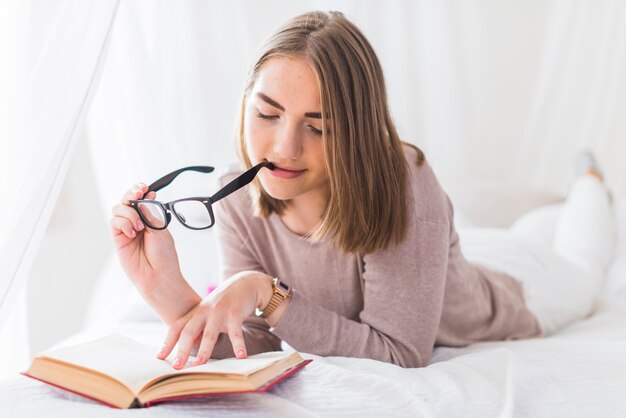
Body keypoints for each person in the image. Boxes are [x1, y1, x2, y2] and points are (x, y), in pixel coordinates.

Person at [110, 11, 615, 369]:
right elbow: (257, 339)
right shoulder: (237, 192)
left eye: (320, 125)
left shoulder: (403, 182)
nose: (284, 147)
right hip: (437, 262)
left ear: (358, 131)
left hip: (521, 289)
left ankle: (589, 181)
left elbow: (401, 351)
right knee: (522, 228)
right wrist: (166, 291)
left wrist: (266, 290)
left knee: (585, 262)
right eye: (266, 114)